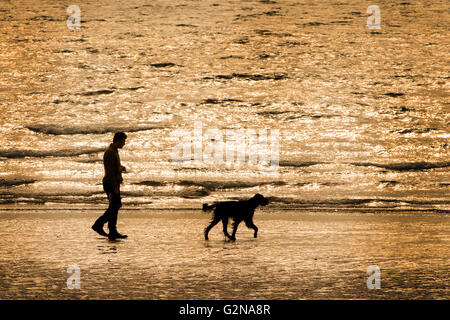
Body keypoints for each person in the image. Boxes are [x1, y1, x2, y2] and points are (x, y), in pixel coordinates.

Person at [92, 132, 128, 240]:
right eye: (123, 141)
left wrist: (120, 168)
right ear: (118, 140)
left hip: (113, 183)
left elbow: (113, 168)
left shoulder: (114, 151)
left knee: (115, 206)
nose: (124, 144)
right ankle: (98, 224)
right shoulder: (110, 153)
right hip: (110, 184)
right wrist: (115, 188)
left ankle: (112, 231)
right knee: (115, 206)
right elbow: (111, 172)